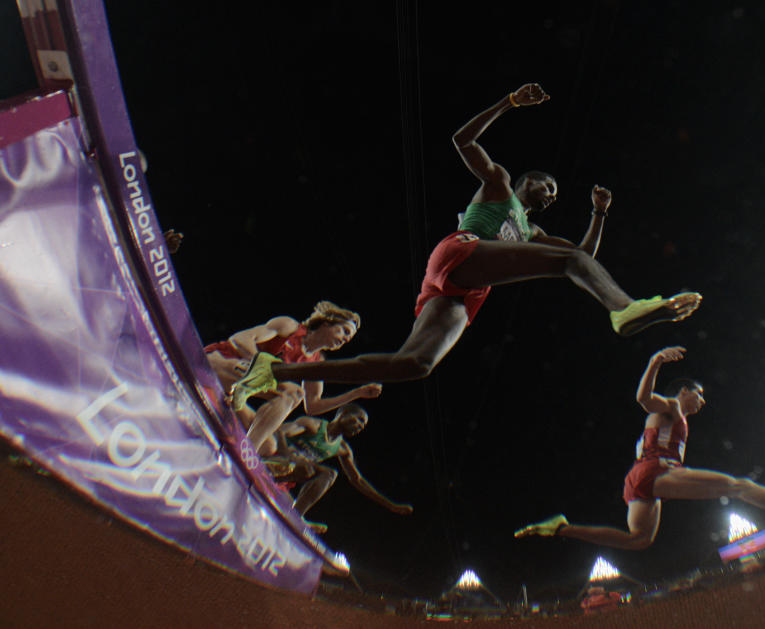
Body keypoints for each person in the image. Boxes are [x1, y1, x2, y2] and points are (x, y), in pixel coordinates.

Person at [229, 84, 701, 408]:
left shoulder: (534, 233)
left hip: (462, 292)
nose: (551, 194)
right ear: (526, 181)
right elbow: (462, 139)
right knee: (569, 263)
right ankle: (624, 309)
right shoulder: (499, 187)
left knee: (414, 365)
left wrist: (597, 214)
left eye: (556, 194)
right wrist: (508, 103)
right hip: (459, 251)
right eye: (546, 186)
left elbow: (584, 260)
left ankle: (277, 373)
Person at [514, 346, 765, 550]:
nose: (702, 400)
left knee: (639, 541)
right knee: (739, 486)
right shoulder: (673, 407)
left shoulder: (670, 421)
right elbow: (643, 398)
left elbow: (643, 441)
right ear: (685, 392)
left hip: (639, 477)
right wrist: (656, 361)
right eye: (699, 393)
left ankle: (561, 527)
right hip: (657, 471)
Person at [205, 301, 382, 454]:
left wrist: (357, 393)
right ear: (328, 322)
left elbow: (312, 406)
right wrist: (268, 366)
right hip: (217, 362)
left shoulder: (315, 363)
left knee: (269, 446)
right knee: (292, 390)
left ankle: (247, 451)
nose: (346, 339)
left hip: (233, 390)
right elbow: (240, 339)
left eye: (349, 338)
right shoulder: (290, 327)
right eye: (344, 331)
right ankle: (246, 451)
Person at [266, 404, 413, 534]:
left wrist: (390, 505)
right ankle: (269, 472)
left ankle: (293, 516)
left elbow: (358, 480)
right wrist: (288, 456)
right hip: (273, 459)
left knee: (329, 474)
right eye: (360, 419)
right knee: (307, 467)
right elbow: (279, 431)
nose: (361, 426)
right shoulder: (313, 425)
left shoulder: (342, 448)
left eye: (364, 425)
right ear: (344, 413)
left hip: (287, 475)